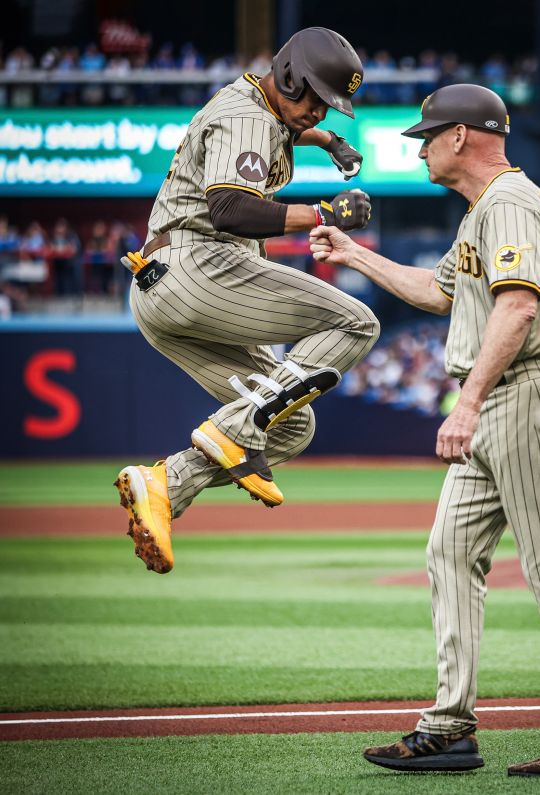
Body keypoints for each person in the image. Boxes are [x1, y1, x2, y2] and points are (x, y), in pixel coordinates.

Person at [310, 84, 540, 778]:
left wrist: (468, 402)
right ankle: (450, 725)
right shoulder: (484, 212)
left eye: (427, 136)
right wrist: (356, 255)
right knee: (450, 553)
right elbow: (439, 291)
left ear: (461, 136)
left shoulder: (510, 202)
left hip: (525, 394)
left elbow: (516, 309)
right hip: (500, 399)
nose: (421, 148)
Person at [115, 27, 379, 575]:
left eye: (332, 108)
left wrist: (329, 143)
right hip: (201, 264)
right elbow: (230, 210)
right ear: (287, 76)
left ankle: (167, 484)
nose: (322, 115)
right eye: (318, 101)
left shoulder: (260, 109)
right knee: (355, 322)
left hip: (161, 288)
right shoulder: (248, 117)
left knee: (288, 423)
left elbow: (280, 133)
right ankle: (231, 432)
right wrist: (323, 213)